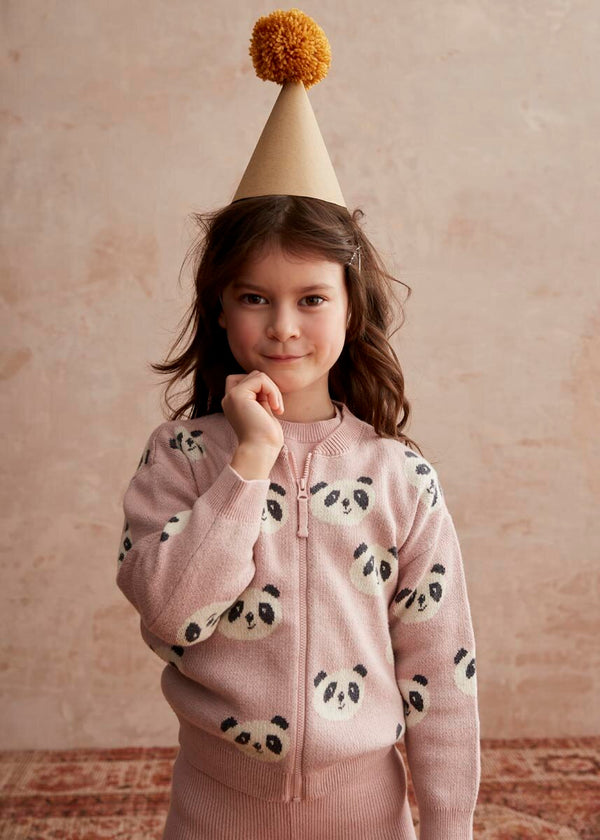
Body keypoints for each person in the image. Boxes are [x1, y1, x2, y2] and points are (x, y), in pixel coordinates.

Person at [116, 11, 480, 840]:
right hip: (215, 809)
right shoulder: (181, 458)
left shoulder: (399, 478)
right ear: (220, 309)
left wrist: (452, 828)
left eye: (311, 298)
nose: (283, 326)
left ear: (353, 310)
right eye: (255, 298)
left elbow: (441, 672)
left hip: (365, 812)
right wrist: (250, 461)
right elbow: (170, 613)